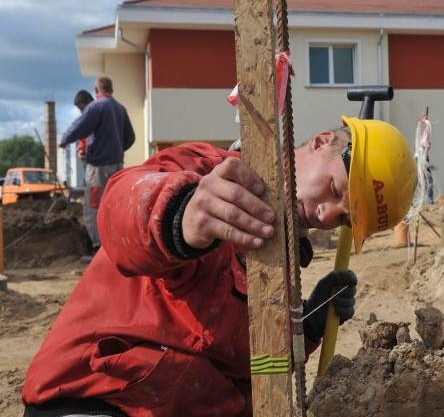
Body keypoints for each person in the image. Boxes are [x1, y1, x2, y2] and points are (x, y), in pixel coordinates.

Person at [22, 116, 417, 417]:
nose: (324, 214)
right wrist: (180, 215)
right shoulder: (208, 170)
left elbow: (252, 366)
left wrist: (307, 328)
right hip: (97, 395)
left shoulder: (282, 262)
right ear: (321, 142)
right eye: (334, 190)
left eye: (343, 219)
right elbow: (118, 209)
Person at [58, 77, 136, 262]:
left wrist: (64, 140)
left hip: (99, 168)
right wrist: (116, 149)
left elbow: (79, 126)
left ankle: (98, 250)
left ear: (96, 89)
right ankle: (117, 246)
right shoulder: (120, 108)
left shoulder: (96, 107)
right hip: (117, 166)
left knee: (93, 207)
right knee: (114, 205)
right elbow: (130, 137)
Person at [72, 90, 94, 162]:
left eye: (82, 109)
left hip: (100, 162)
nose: (82, 112)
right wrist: (81, 150)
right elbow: (83, 139)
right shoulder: (86, 121)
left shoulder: (100, 116)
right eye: (80, 110)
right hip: (91, 162)